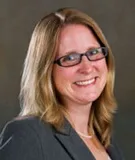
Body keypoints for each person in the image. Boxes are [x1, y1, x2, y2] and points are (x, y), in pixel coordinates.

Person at [0, 7, 124, 160]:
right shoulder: (27, 135)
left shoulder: (105, 140)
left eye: (93, 52)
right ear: (45, 71)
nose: (87, 67)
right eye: (70, 58)